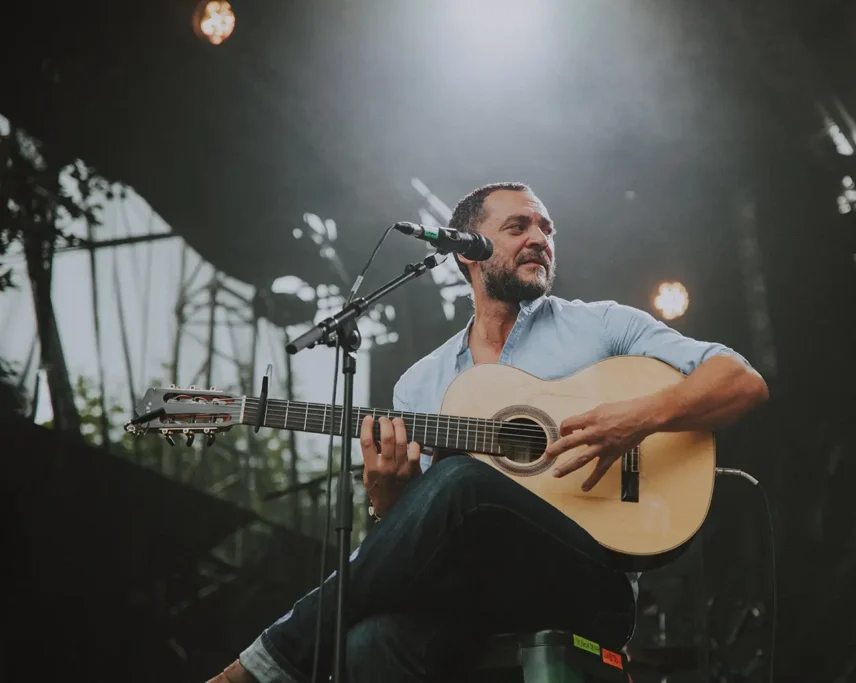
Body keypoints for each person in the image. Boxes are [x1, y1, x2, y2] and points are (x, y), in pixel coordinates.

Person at [208, 182, 769, 683]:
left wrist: (637, 416)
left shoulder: (603, 325)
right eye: (517, 226)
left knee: (461, 479)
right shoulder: (420, 383)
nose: (540, 238)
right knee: (368, 644)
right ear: (465, 252)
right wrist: (388, 498)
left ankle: (263, 666)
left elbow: (741, 382)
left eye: (546, 227)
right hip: (469, 594)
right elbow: (424, 535)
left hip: (589, 582)